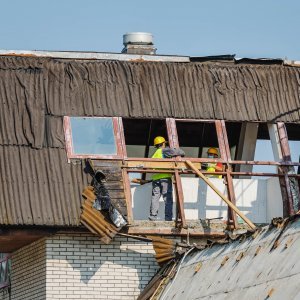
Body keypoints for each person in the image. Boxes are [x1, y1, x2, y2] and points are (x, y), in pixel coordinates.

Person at [149, 136, 185, 221]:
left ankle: (153, 216)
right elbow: (180, 152)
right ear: (162, 144)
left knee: (155, 198)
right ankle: (168, 218)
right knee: (168, 199)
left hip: (155, 179)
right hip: (165, 179)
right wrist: (181, 153)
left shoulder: (154, 155)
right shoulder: (164, 151)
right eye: (165, 143)